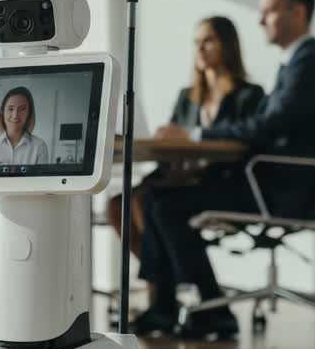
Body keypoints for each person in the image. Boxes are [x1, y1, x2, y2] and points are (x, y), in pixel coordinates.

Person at [133, 0, 315, 340]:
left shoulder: (309, 65)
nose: (260, 20)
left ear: (298, 12)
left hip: (281, 188)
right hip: (273, 181)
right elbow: (267, 124)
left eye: (269, 11)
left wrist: (196, 135)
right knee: (153, 197)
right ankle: (169, 306)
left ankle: (213, 310)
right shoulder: (299, 63)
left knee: (166, 205)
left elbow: (266, 127)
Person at [106, 16, 265, 260]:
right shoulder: (187, 97)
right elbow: (174, 137)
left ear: (227, 45)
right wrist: (166, 136)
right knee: (118, 205)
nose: (200, 48)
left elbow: (247, 139)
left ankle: (165, 280)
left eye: (208, 41)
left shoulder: (249, 95)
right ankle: (164, 275)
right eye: (196, 42)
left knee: (146, 202)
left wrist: (189, 136)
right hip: (179, 174)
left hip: (220, 179)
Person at [0, 87, 50, 167]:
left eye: (22, 109)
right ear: (2, 112)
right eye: (10, 109)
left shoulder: (39, 146)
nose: (15, 115)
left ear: (29, 114)